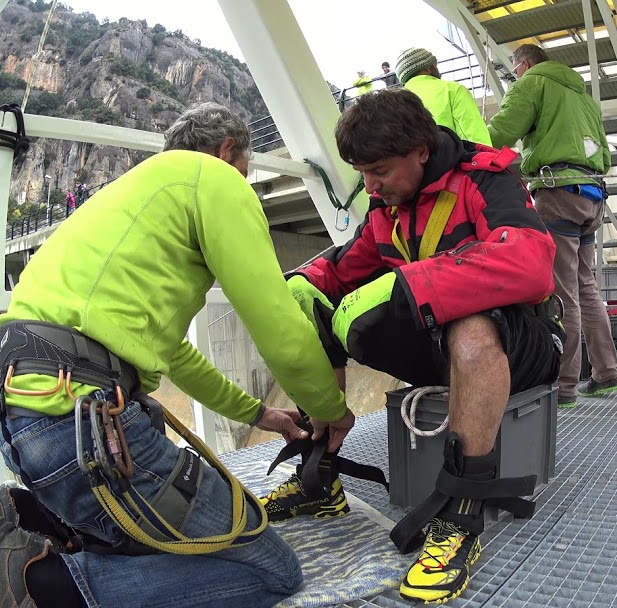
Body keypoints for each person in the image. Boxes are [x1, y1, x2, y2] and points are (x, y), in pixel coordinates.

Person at [0, 102, 354, 608]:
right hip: (82, 429)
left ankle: (36, 523)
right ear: (227, 152)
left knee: (162, 540)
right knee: (271, 570)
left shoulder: (138, 196)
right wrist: (329, 409)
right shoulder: (215, 178)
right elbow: (278, 326)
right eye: (243, 173)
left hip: (25, 418)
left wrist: (263, 415)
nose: (243, 185)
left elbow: (176, 357)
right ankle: (44, 585)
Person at [260, 89, 563, 604]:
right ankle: (321, 469)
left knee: (469, 322)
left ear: (421, 151)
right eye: (361, 172)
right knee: (307, 300)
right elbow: (342, 268)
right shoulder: (387, 205)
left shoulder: (486, 178)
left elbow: (533, 263)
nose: (369, 185)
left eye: (378, 170)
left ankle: (461, 518)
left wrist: (416, 283)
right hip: (444, 347)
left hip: (527, 346)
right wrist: (299, 284)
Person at [488, 43, 617, 409]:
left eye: (516, 71)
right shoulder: (584, 96)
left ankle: (564, 386)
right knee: (586, 286)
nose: (516, 78)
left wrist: (467, 144)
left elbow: (502, 131)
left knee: (563, 294)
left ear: (525, 64)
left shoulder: (533, 83)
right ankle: (607, 372)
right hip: (593, 195)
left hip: (558, 192)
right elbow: (606, 155)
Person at [395, 47, 492, 146]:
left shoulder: (394, 103)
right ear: (428, 68)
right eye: (435, 65)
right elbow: (474, 135)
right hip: (450, 160)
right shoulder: (452, 89)